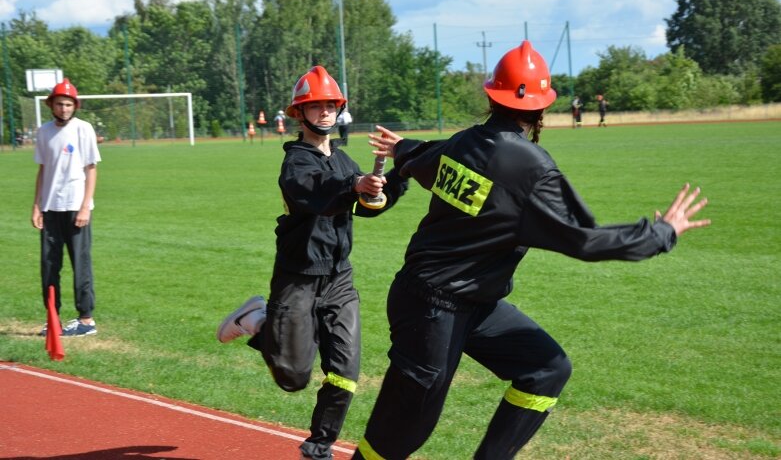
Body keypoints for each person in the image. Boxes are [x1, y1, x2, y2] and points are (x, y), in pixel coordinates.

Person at [351, 41, 710, 460]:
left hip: (470, 301)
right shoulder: (532, 167)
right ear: (542, 109)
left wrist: (400, 149)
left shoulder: (466, 141)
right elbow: (584, 240)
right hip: (431, 307)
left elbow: (426, 154)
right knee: (403, 430)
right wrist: (662, 232)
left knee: (546, 368)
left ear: (490, 96)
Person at [217, 65, 408, 460]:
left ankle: (319, 444)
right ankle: (259, 319)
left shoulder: (342, 160)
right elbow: (314, 193)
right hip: (298, 278)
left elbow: (366, 207)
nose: (324, 113)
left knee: (346, 371)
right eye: (315, 106)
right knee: (293, 377)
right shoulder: (296, 162)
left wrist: (392, 181)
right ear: (299, 113)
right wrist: (353, 186)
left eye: (331, 106)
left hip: (339, 278)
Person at [31, 78, 102, 337]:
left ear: (75, 106)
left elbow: (91, 168)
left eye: (69, 104)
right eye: (60, 104)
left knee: (80, 264)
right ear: (52, 105)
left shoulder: (84, 129)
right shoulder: (44, 132)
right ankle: (53, 318)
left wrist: (86, 206)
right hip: (50, 208)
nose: (64, 109)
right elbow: (42, 169)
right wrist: (37, 206)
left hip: (75, 207)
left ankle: (86, 320)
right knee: (49, 265)